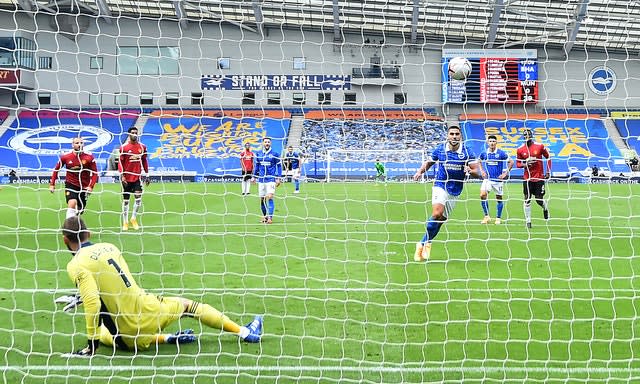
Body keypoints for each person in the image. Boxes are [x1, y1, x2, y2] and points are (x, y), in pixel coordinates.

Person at [59, 216, 263, 356]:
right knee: (188, 306)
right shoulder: (110, 247)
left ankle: (167, 338)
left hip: (126, 337)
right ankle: (244, 332)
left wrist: (91, 346)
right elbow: (117, 281)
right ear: (89, 233)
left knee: (104, 331)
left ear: (65, 240)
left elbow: (94, 303)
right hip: (149, 310)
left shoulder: (75, 264)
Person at [412, 125, 480, 261]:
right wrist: (420, 171)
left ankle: (426, 241)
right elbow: (429, 163)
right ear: (447, 136)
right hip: (440, 184)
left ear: (460, 136)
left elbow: (477, 172)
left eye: (457, 134)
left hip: (456, 189)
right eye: (452, 134)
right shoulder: (440, 149)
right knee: (437, 213)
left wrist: (470, 171)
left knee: (441, 219)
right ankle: (420, 244)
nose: (454, 136)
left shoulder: (467, 152)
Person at [49, 137, 99, 218]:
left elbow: (95, 173)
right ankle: (68, 227)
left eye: (81, 143)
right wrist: (52, 184)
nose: (79, 144)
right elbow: (56, 170)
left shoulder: (89, 157)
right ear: (72, 145)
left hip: (84, 186)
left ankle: (74, 225)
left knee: (79, 210)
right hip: (71, 184)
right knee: (72, 203)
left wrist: (91, 186)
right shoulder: (66, 157)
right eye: (77, 143)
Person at [516, 128, 551, 229]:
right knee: (527, 199)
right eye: (525, 135)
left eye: (528, 135)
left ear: (531, 136)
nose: (527, 137)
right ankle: (528, 221)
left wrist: (548, 171)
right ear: (523, 137)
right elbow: (518, 164)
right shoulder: (520, 149)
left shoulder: (539, 146)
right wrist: (525, 163)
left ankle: (545, 208)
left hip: (539, 178)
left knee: (539, 200)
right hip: (527, 178)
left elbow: (548, 157)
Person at [477, 135, 513, 225]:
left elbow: (511, 162)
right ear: (487, 142)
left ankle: (498, 218)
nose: (492, 143)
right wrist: (482, 171)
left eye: (493, 141)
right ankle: (486, 216)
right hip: (487, 179)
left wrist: (505, 173)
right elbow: (479, 161)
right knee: (482, 195)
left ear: (496, 142)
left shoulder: (501, 153)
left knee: (499, 199)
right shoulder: (484, 153)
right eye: (490, 141)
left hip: (498, 180)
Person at [119, 127, 148, 231]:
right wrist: (122, 175)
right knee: (126, 201)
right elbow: (120, 163)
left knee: (138, 197)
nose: (134, 134)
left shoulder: (142, 147)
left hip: (137, 177)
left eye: (136, 133)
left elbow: (144, 161)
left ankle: (133, 218)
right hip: (126, 177)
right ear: (129, 134)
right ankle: (125, 222)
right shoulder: (124, 148)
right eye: (133, 133)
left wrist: (147, 174)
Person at [253, 137, 282, 224]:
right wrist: (254, 177)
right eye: (265, 142)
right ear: (263, 143)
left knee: (269, 196)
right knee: (262, 199)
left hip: (271, 179)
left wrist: (278, 177)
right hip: (261, 180)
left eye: (268, 142)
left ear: (271, 143)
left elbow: (279, 166)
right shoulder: (259, 154)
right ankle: (265, 216)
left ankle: (270, 218)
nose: (267, 143)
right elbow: (257, 167)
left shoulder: (275, 154)